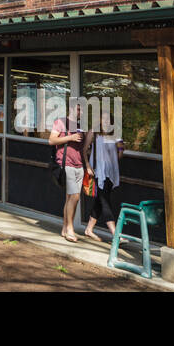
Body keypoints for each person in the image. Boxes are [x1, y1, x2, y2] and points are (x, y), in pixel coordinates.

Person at [83, 113, 124, 241]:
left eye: (108, 119)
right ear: (99, 120)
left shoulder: (114, 134)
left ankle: (89, 229)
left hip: (110, 173)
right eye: (103, 118)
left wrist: (120, 151)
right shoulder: (93, 132)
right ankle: (116, 234)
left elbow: (121, 148)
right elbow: (83, 150)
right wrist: (88, 166)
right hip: (97, 173)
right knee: (105, 202)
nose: (106, 121)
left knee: (100, 202)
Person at [49, 101, 85, 243]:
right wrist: (70, 137)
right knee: (74, 197)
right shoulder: (61, 122)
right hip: (67, 164)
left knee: (70, 199)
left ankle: (65, 227)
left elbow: (83, 147)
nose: (80, 112)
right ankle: (70, 228)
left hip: (79, 165)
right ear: (70, 109)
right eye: (78, 109)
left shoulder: (81, 126)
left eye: (81, 110)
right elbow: (51, 140)